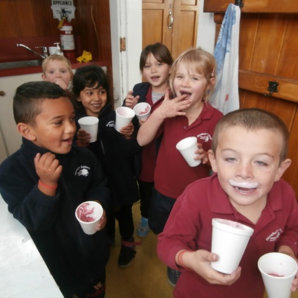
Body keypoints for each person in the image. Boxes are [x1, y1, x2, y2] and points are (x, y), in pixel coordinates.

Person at [157, 108, 298, 298]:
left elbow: (291, 231)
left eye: (261, 163)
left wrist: (287, 251)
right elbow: (168, 243)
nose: (244, 172)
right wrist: (190, 259)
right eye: (231, 159)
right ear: (213, 161)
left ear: (280, 169)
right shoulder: (196, 196)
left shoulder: (286, 195)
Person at [0, 81, 110, 298]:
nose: (71, 128)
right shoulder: (11, 171)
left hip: (93, 254)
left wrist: (99, 203)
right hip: (58, 268)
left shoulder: (83, 156)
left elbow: (100, 185)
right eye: (58, 122)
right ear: (27, 131)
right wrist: (46, 185)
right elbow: (31, 222)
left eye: (71, 118)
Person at [137, 47, 223, 285]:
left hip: (196, 197)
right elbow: (142, 139)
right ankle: (172, 258)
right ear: (172, 81)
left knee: (191, 236)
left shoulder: (217, 119)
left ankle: (181, 266)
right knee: (163, 230)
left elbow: (222, 163)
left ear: (209, 83)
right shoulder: (167, 110)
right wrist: (161, 113)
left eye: (194, 78)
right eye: (180, 77)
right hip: (163, 190)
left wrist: (208, 158)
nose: (185, 83)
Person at [72, 64, 140, 268]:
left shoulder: (114, 117)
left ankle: (128, 243)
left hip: (120, 178)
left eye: (101, 91)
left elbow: (130, 149)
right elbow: (73, 158)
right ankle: (108, 237)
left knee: (125, 213)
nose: (97, 98)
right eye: (89, 92)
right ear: (78, 96)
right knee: (104, 212)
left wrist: (129, 136)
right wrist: (80, 145)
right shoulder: (75, 124)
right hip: (96, 183)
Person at [124, 42, 173, 238]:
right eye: (147, 65)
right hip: (145, 157)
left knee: (164, 195)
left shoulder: (176, 93)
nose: (153, 70)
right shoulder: (140, 90)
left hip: (165, 158)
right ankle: (145, 217)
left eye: (159, 64)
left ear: (170, 67)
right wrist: (129, 106)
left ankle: (165, 224)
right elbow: (126, 123)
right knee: (145, 191)